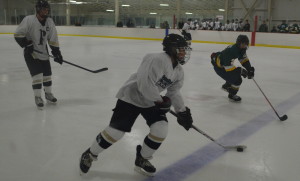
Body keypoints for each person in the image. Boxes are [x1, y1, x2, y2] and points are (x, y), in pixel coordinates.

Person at [79, 34, 193, 177]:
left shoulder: (178, 71)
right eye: (181, 49)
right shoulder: (156, 59)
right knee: (116, 133)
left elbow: (174, 91)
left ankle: (142, 159)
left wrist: (182, 112)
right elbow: (145, 85)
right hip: (131, 97)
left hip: (151, 100)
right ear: (172, 49)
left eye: (185, 50)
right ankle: (90, 154)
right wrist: (160, 101)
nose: (184, 53)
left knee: (160, 130)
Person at [14, 0, 63, 109]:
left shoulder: (49, 22)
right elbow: (18, 34)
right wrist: (27, 44)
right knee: (37, 75)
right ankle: (37, 97)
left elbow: (53, 38)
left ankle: (48, 94)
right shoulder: (29, 20)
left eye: (47, 9)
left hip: (43, 53)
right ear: (38, 10)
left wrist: (56, 53)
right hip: (31, 53)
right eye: (44, 9)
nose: (46, 11)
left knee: (47, 76)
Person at [210, 35, 255, 102]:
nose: (245, 46)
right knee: (238, 80)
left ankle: (227, 85)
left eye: (246, 44)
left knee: (234, 75)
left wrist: (249, 69)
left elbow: (244, 59)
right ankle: (232, 94)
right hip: (220, 68)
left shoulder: (241, 49)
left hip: (224, 65)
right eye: (244, 44)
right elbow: (228, 67)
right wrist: (241, 71)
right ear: (239, 43)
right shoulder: (231, 51)